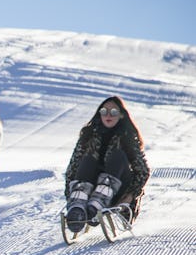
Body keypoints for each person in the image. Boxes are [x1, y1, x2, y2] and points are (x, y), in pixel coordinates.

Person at [64, 96, 150, 232]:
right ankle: (78, 205)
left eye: (114, 112)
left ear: (121, 115)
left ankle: (99, 203)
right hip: (89, 190)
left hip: (118, 191)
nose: (108, 115)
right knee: (88, 159)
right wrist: (69, 195)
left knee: (118, 155)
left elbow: (143, 171)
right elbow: (73, 167)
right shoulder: (88, 135)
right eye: (104, 111)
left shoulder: (127, 137)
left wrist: (130, 196)